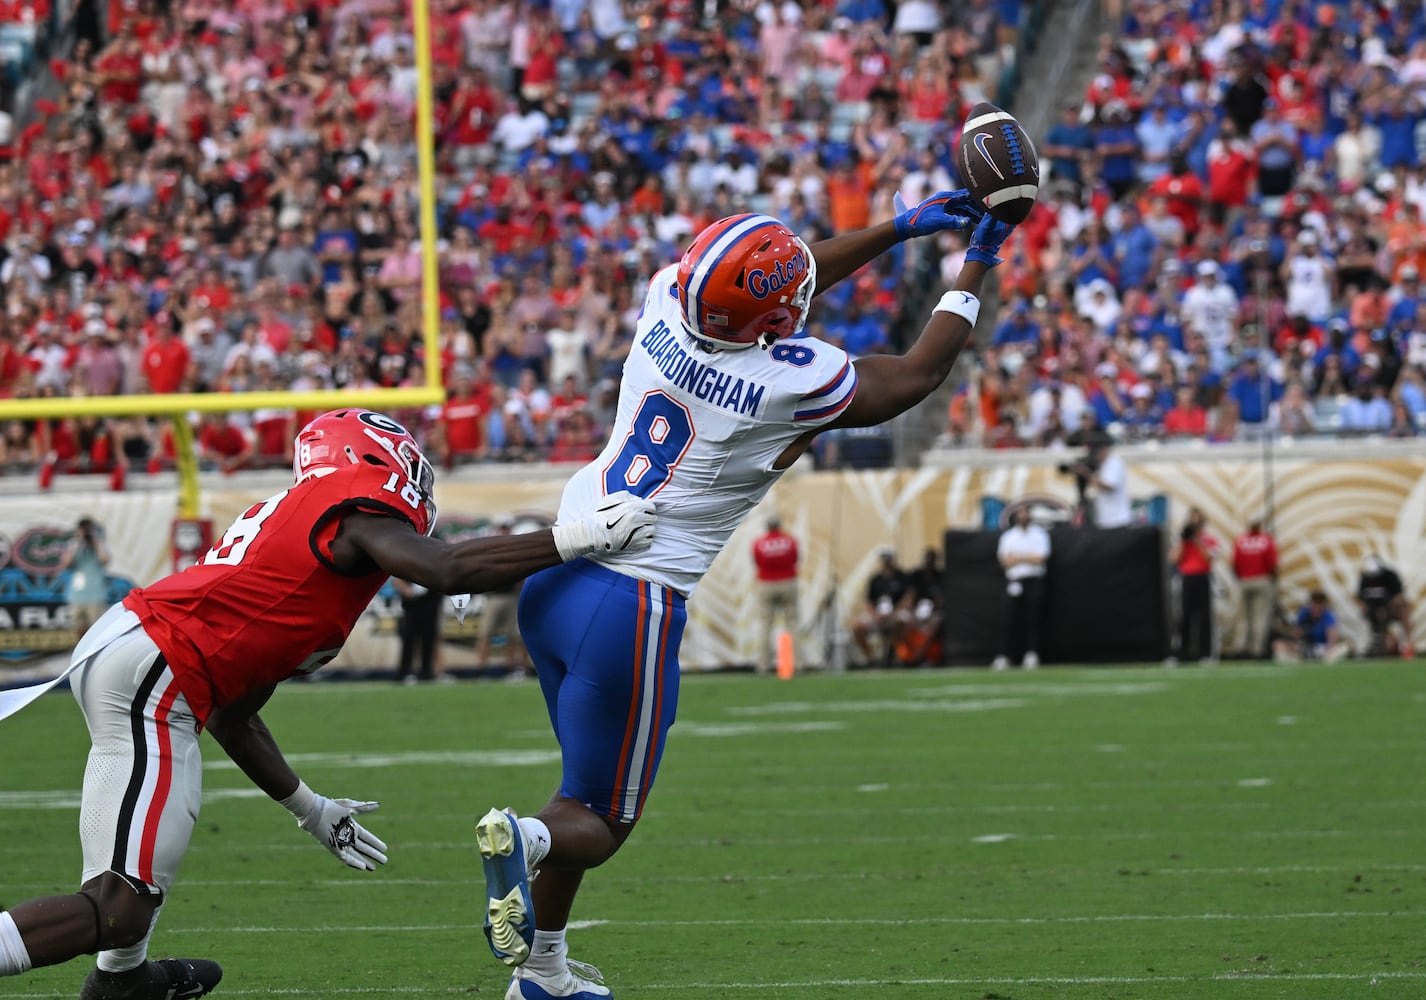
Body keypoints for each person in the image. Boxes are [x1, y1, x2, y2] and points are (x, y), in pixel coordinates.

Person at [479, 195, 1012, 1000]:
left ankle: (544, 974)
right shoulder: (779, 382)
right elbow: (916, 374)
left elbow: (780, 284)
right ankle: (523, 841)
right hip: (632, 608)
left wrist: (903, 226)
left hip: (557, 575)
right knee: (601, 823)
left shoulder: (666, 297)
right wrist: (978, 259)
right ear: (766, 325)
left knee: (579, 788)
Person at [0, 409, 657, 1000]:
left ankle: (125, 984)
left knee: (127, 899)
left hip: (151, 668)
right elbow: (447, 568)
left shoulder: (312, 544)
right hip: (157, 674)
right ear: (370, 458)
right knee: (117, 905)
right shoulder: (349, 504)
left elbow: (234, 714)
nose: (419, 489)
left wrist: (310, 809)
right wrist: (576, 538)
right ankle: (118, 974)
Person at [991, 507, 1050, 670]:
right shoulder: (1008, 536)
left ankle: (1032, 654)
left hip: (1034, 580)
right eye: (1020, 513)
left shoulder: (1039, 534)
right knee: (1008, 619)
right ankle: (1005, 655)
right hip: (1014, 581)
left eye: (1026, 512)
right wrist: (1027, 557)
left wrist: (1016, 557)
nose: (1023, 515)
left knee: (1033, 619)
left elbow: (1040, 558)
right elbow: (1005, 561)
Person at [477, 515, 533, 679]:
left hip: (513, 596)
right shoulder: (490, 548)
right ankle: (481, 671)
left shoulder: (516, 549)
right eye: (502, 528)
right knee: (485, 634)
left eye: (506, 528)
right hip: (495, 596)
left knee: (515, 635)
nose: (504, 531)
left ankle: (513, 669)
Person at [1169, 507, 1220, 664]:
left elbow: (1209, 559)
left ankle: (1205, 653)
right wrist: (1184, 542)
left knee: (1205, 616)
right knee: (1184, 616)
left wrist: (1198, 542)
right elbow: (1174, 559)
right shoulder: (1182, 540)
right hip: (1187, 578)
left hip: (1203, 578)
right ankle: (1182, 653)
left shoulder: (1208, 539)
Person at [750, 514, 799, 675]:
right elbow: (795, 559)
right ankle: (796, 665)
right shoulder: (790, 541)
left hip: (766, 583)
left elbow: (757, 563)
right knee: (792, 623)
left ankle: (764, 666)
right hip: (788, 582)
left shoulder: (759, 543)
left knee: (765, 625)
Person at [851, 548, 912, 667]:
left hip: (895, 612)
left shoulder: (902, 576)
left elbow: (908, 597)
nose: (887, 562)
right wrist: (875, 615)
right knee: (857, 626)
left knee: (902, 621)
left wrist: (895, 612)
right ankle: (871, 658)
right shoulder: (875, 579)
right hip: (877, 614)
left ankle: (893, 653)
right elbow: (868, 601)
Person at [1231, 520, 1278, 659]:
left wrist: (1241, 577)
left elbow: (1234, 563)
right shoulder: (1266, 541)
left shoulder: (1241, 541)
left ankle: (1240, 647)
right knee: (1260, 617)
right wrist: (1271, 579)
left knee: (1243, 617)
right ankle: (1256, 650)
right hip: (1262, 580)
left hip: (1244, 581)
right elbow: (1273, 564)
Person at [60, 517, 112, 641]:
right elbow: (66, 563)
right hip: (77, 595)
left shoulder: (100, 544)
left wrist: (96, 541)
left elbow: (104, 559)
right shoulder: (74, 545)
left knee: (97, 628)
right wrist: (78, 541)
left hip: (96, 594)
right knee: (77, 627)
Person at [1356, 555, 1414, 657]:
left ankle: (1408, 644)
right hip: (1373, 611)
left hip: (1390, 608)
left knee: (1403, 610)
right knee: (1373, 619)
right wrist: (1370, 610)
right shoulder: (1365, 579)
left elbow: (1399, 598)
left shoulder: (1390, 576)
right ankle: (1376, 648)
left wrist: (1386, 608)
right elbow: (1360, 599)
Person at [896, 549, 945, 667]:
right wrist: (911, 611)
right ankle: (905, 653)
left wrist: (936, 605)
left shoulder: (939, 576)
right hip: (915, 610)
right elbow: (910, 595)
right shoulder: (917, 575)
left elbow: (941, 599)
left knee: (935, 624)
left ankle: (919, 656)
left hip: (933, 612)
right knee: (901, 621)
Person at [1273, 590, 1351, 663]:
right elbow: (1294, 634)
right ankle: (1298, 661)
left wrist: (1329, 650)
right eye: (1315, 603)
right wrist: (1297, 635)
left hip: (1322, 648)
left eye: (1319, 604)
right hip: (1305, 648)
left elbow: (1332, 636)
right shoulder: (1303, 613)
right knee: (1278, 645)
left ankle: (1322, 660)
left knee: (1346, 647)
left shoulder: (1328, 616)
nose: (1317, 607)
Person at [393, 577, 442, 684]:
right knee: (409, 636)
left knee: (428, 636)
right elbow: (396, 579)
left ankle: (426, 671)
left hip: (430, 598)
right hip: (412, 602)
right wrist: (407, 590)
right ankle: (404, 672)